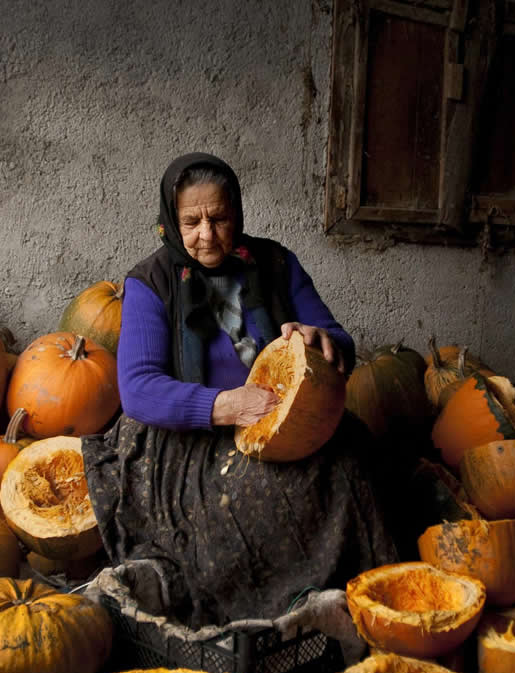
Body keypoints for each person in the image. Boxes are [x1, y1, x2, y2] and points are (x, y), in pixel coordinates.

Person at [82, 153, 397, 628]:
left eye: (219, 218)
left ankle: (345, 605)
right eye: (191, 221)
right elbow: (139, 390)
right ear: (172, 220)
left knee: (349, 458)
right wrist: (224, 406)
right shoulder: (151, 282)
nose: (206, 235)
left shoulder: (275, 263)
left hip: (281, 415)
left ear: (238, 214)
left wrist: (323, 343)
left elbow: (341, 341)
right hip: (186, 435)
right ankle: (265, 615)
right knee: (253, 493)